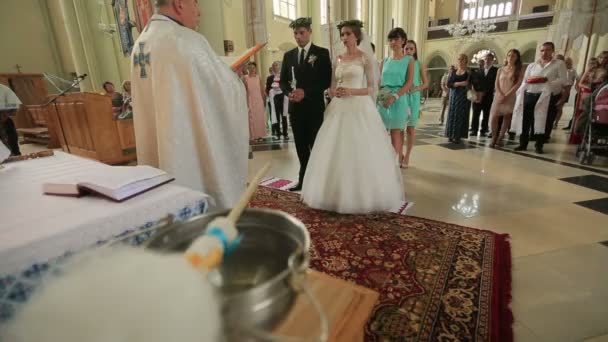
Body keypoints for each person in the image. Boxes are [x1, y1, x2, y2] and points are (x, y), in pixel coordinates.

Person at [130, 0, 249, 209]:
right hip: (185, 150)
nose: (199, 11)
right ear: (179, 4)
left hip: (157, 151)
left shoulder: (141, 42)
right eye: (195, 3)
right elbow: (224, 92)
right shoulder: (187, 40)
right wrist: (234, 80)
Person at [301, 20, 404, 214]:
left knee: (359, 147)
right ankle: (332, 193)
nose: (344, 38)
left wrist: (352, 91)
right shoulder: (338, 59)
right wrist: (334, 92)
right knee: (335, 148)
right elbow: (331, 86)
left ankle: (361, 195)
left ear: (357, 36)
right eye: (342, 34)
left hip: (359, 106)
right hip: (339, 107)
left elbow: (373, 88)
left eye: (347, 34)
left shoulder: (365, 58)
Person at [279, 17, 332, 192]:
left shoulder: (321, 53)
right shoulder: (289, 55)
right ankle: (303, 178)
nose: (298, 36)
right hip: (296, 108)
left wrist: (305, 92)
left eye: (301, 33)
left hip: (314, 108)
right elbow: (283, 82)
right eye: (295, 33)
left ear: (310, 32)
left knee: (315, 144)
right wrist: (289, 93)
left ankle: (318, 179)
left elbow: (325, 80)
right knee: (300, 145)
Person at [512, 42, 567, 154]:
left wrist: (547, 81)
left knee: (542, 120)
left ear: (552, 51)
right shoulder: (532, 65)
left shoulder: (559, 64)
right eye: (542, 50)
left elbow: (563, 80)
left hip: (546, 96)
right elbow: (525, 80)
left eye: (547, 50)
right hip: (530, 94)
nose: (544, 52)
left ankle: (539, 144)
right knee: (525, 120)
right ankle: (523, 143)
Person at [377, 27, 414, 168]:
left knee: (395, 132)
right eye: (390, 39)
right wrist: (381, 98)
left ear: (403, 41)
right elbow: (379, 82)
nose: (393, 42)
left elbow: (409, 82)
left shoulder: (409, 60)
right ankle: (382, 162)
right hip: (383, 99)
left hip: (399, 98)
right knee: (381, 132)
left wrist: (395, 97)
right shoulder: (384, 61)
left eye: (396, 39)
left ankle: (391, 166)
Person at [489, 49, 524, 147]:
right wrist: (500, 93)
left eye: (513, 56)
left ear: (517, 58)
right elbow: (496, 83)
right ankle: (494, 137)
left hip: (510, 95)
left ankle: (500, 137)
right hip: (499, 96)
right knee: (494, 117)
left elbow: (518, 84)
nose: (510, 57)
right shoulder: (501, 69)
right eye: (509, 55)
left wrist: (507, 95)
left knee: (506, 117)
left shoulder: (519, 70)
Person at [403, 39, 429, 167]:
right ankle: (399, 154)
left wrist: (415, 88)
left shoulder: (419, 63)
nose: (408, 51)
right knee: (398, 128)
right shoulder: (400, 63)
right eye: (406, 48)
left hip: (413, 98)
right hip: (401, 97)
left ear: (415, 50)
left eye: (411, 49)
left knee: (410, 129)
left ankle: (407, 156)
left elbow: (425, 83)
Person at [470, 53, 498, 137]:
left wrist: (485, 92)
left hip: (488, 96)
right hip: (478, 95)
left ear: (492, 60)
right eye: (486, 59)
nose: (487, 60)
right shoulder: (479, 70)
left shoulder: (496, 70)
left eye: (489, 59)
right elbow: (475, 82)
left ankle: (483, 130)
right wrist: (476, 92)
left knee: (486, 114)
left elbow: (494, 83)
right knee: (475, 113)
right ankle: (474, 130)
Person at [446, 54, 471, 144]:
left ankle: (458, 136)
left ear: (465, 60)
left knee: (461, 115)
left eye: (462, 59)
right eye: (459, 59)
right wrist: (458, 84)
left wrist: (457, 83)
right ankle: (450, 134)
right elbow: (449, 84)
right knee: (452, 114)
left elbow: (468, 83)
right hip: (453, 96)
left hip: (463, 97)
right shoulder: (453, 72)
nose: (460, 61)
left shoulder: (468, 72)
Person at [244, 62, 267, 142]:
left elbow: (262, 90)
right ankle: (253, 136)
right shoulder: (245, 78)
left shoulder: (258, 78)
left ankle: (260, 135)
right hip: (250, 100)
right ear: (248, 69)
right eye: (249, 68)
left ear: (255, 69)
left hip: (259, 100)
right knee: (252, 118)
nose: (251, 69)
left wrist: (264, 101)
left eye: (253, 68)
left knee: (260, 118)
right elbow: (245, 91)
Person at [266, 61, 289, 140]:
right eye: (274, 66)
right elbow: (268, 88)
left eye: (276, 65)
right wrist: (271, 92)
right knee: (276, 116)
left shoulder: (283, 76)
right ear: (272, 68)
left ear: (279, 67)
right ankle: (278, 133)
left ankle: (285, 133)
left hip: (283, 97)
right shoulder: (270, 78)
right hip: (274, 98)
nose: (275, 67)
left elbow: (286, 86)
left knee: (284, 115)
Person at [554, 56, 577, 129]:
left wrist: (574, 85)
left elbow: (573, 79)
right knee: (556, 107)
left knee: (559, 107)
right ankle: (553, 121)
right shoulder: (556, 69)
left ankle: (556, 122)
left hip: (565, 90)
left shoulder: (570, 70)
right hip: (557, 89)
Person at [0, 84, 22, 156]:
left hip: (5, 122)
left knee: (12, 140)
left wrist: (5, 112)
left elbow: (15, 106)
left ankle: (15, 155)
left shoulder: (4, 89)